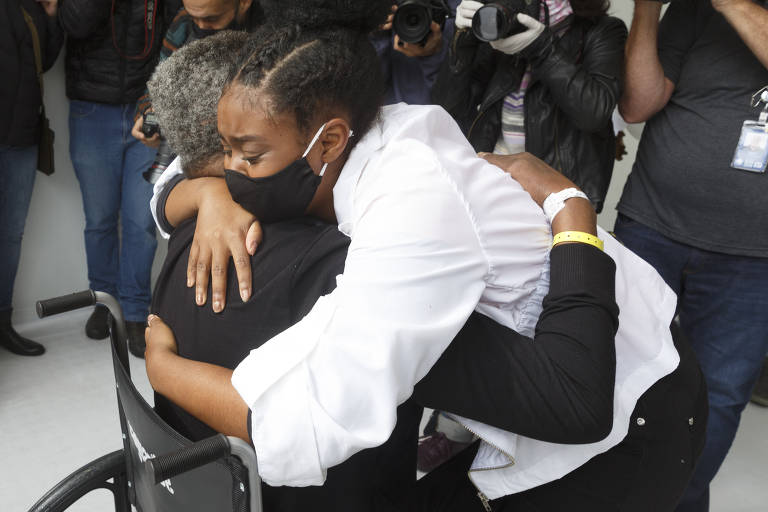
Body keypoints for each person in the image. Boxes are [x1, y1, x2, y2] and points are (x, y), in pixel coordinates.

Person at [145, 1, 687, 507]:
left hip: (631, 404)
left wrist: (165, 371)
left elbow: (310, 415)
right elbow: (184, 172)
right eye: (224, 153)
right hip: (543, 388)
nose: (230, 169)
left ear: (328, 142)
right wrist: (205, 194)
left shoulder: (409, 207)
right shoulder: (358, 133)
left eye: (247, 154)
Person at [616, 0, 768, 510]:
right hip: (651, 224)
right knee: (614, 367)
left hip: (754, 256)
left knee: (716, 397)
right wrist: (645, 11)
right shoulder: (693, 12)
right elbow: (638, 104)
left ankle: (674, 502)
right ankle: (594, 494)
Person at [57, 0, 178, 356]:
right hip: (91, 108)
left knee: (142, 221)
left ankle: (137, 313)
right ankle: (104, 303)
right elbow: (75, 23)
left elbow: (178, 28)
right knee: (99, 220)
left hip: (148, 108)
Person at [434, 0, 626, 212]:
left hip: (556, 195)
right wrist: (463, 44)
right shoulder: (503, 19)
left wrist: (543, 49)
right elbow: (449, 110)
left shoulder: (603, 30)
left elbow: (593, 113)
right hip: (491, 181)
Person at [0, 0, 63, 356]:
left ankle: (3, 323)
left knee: (10, 236)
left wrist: (52, 16)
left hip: (22, 138)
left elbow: (46, 60)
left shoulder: (30, 5)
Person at [132, 0, 264, 148]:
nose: (200, 26)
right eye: (193, 16)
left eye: (212, 19)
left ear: (244, 3)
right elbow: (157, 84)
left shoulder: (273, 30)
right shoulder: (184, 23)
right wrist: (150, 114)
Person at [371, 1, 460, 105]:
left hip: (438, 113)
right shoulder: (383, 9)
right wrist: (375, 34)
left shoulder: (463, 9)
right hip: (391, 112)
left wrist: (434, 56)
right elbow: (365, 91)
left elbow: (458, 103)